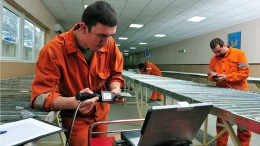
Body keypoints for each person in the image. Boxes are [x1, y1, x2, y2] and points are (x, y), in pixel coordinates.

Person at [31, 1, 124, 145]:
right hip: (76, 116)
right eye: (101, 35)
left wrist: (115, 89)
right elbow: (40, 97)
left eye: (110, 35)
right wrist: (73, 103)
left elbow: (114, 74)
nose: (106, 42)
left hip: (101, 112)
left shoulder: (110, 44)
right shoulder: (53, 51)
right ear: (83, 28)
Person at [208, 38, 251, 146]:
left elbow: (244, 73)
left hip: (240, 94)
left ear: (225, 45)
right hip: (223, 95)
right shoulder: (214, 58)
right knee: (222, 122)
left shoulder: (239, 54)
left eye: (219, 51)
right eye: (214, 52)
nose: (217, 54)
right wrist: (213, 77)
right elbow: (209, 74)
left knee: (243, 124)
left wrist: (227, 77)